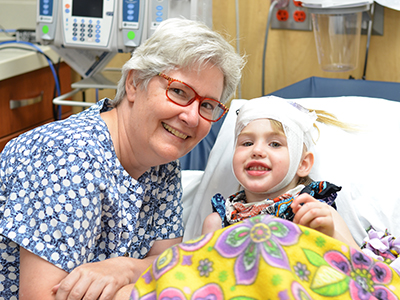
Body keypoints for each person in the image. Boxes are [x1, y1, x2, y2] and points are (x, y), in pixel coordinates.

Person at [0, 18, 245, 300]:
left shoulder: (159, 158)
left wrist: (126, 268)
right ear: (133, 83)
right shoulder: (70, 156)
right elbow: (41, 297)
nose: (191, 117)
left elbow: (168, 260)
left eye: (207, 105)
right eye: (178, 91)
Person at [201, 96, 360, 250]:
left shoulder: (315, 213)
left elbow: (365, 269)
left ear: (303, 164)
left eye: (275, 144)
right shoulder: (217, 224)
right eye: (247, 143)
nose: (257, 150)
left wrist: (330, 235)